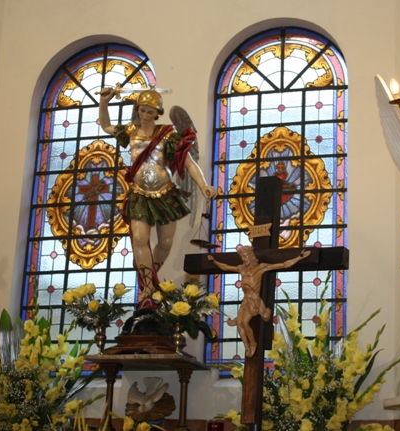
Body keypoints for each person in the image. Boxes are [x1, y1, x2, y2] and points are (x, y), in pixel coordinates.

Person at [99, 88, 217, 309]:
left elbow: (189, 162)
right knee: (139, 239)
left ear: (157, 113)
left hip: (165, 194)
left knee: (165, 243)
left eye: (150, 111)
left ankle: (151, 277)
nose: (145, 115)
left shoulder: (167, 135)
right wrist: (104, 102)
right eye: (142, 110)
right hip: (139, 194)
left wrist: (203, 186)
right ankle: (147, 287)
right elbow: (106, 126)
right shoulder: (130, 131)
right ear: (138, 110)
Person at [207, 246, 310, 357]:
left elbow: (284, 264)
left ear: (251, 256)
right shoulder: (241, 268)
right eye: (242, 257)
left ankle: (253, 343)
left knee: (244, 323)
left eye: (245, 257)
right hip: (245, 299)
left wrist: (300, 257)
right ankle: (247, 347)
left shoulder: (261, 268)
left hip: (254, 300)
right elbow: (226, 267)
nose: (243, 259)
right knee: (239, 324)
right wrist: (214, 261)